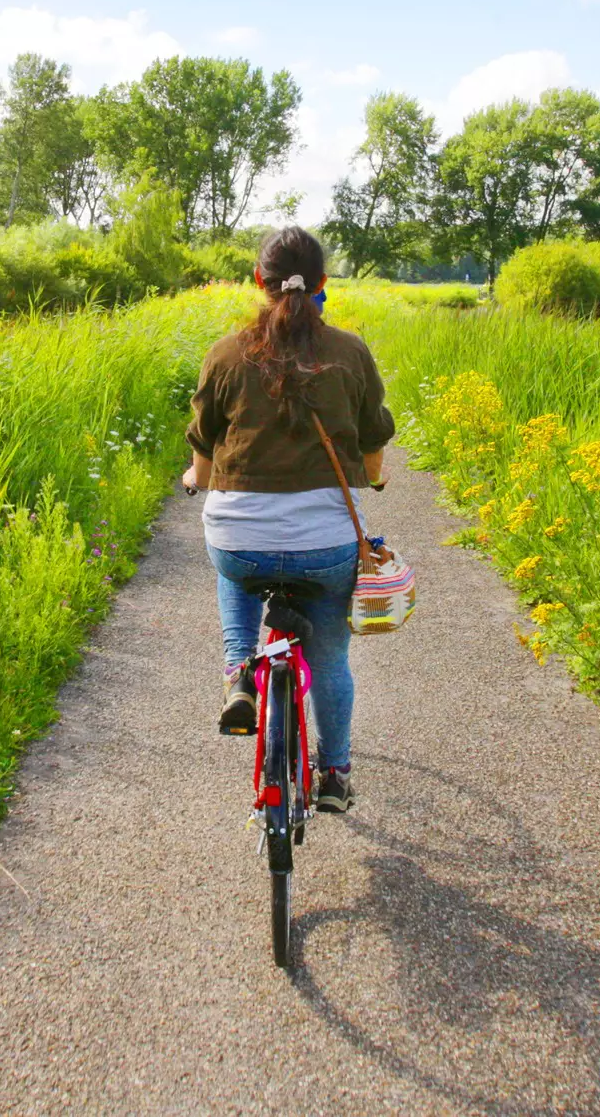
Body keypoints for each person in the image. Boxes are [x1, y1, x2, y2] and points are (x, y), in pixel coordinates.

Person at [182, 225, 393, 813]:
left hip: (239, 538)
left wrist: (197, 481)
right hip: (325, 548)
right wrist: (372, 477)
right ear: (323, 283)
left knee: (234, 561)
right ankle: (334, 776)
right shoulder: (350, 351)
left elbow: (203, 449)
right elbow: (374, 443)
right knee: (329, 659)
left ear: (259, 281)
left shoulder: (225, 353)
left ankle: (239, 675)